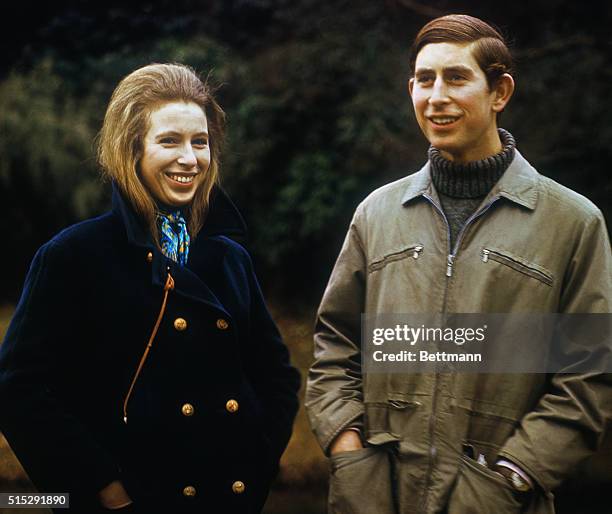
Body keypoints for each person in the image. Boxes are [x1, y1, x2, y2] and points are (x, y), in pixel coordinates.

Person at [305, 14, 612, 514]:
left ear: (500, 92)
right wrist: (349, 453)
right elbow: (335, 348)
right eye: (424, 80)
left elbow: (587, 379)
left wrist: (511, 478)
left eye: (456, 77)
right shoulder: (376, 214)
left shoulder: (573, 223)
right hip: (376, 499)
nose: (436, 95)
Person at [0, 63, 300, 514]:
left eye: (200, 142)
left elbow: (276, 374)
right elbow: (19, 390)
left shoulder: (227, 256)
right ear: (131, 148)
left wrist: (257, 459)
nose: (190, 158)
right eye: (169, 141)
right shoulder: (73, 255)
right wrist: (104, 489)